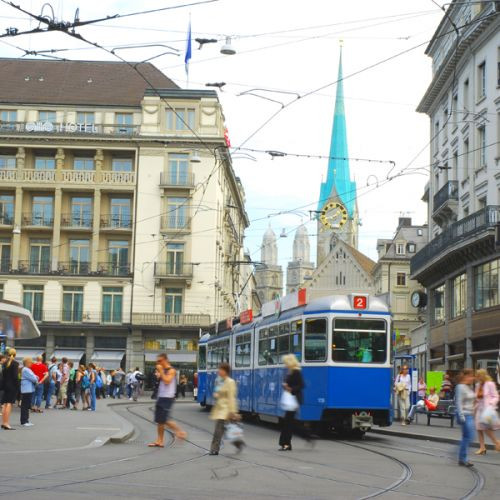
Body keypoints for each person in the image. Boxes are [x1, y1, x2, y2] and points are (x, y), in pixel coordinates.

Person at [148, 353, 186, 448]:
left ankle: (180, 432)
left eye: (160, 361)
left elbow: (167, 381)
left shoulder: (171, 370)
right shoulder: (163, 370)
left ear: (165, 360)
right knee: (160, 420)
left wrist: (160, 371)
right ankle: (159, 440)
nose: (158, 363)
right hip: (161, 396)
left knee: (164, 419)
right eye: (157, 361)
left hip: (167, 397)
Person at [209, 362, 243, 455]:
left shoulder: (230, 382)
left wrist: (233, 411)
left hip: (227, 409)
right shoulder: (218, 380)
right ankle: (238, 443)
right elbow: (217, 392)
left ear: (226, 371)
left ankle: (214, 449)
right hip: (219, 408)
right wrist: (216, 394)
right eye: (219, 369)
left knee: (218, 430)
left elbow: (232, 397)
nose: (219, 371)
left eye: (221, 369)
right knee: (228, 429)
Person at [278, 354, 311, 451]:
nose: (285, 365)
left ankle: (286, 444)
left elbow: (301, 385)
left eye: (286, 363)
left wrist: (290, 389)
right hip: (290, 400)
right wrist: (285, 386)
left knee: (288, 423)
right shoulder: (290, 372)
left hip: (294, 400)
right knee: (290, 423)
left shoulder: (296, 372)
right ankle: (305, 436)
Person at [474, 368, 500, 454]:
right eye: (477, 376)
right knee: (479, 428)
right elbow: (477, 398)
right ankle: (482, 448)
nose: (477, 377)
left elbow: (496, 396)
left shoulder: (490, 384)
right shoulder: (478, 385)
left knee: (486, 428)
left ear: (483, 375)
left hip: (487, 409)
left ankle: (496, 442)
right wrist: (474, 408)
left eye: (479, 375)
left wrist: (491, 404)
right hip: (479, 409)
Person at [456, 369, 476, 467]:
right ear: (466, 376)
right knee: (468, 437)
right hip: (464, 415)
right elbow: (459, 402)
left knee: (468, 437)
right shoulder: (460, 387)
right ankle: (462, 458)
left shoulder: (469, 387)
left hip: (470, 415)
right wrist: (461, 416)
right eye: (471, 376)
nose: (473, 378)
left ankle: (461, 457)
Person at [1, 348, 19, 430]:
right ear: (15, 354)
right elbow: (15, 377)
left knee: (4, 404)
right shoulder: (15, 363)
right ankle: (6, 423)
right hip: (12, 386)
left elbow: (3, 376)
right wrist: (17, 385)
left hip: (5, 386)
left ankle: (3, 422)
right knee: (9, 404)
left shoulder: (4, 363)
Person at [20, 357, 38, 427]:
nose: (32, 364)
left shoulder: (26, 369)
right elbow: (33, 378)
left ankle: (26, 420)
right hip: (27, 389)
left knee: (26, 405)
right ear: (27, 363)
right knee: (25, 405)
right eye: (31, 362)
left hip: (28, 389)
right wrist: (36, 378)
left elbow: (34, 377)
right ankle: (24, 421)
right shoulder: (26, 370)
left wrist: (35, 377)